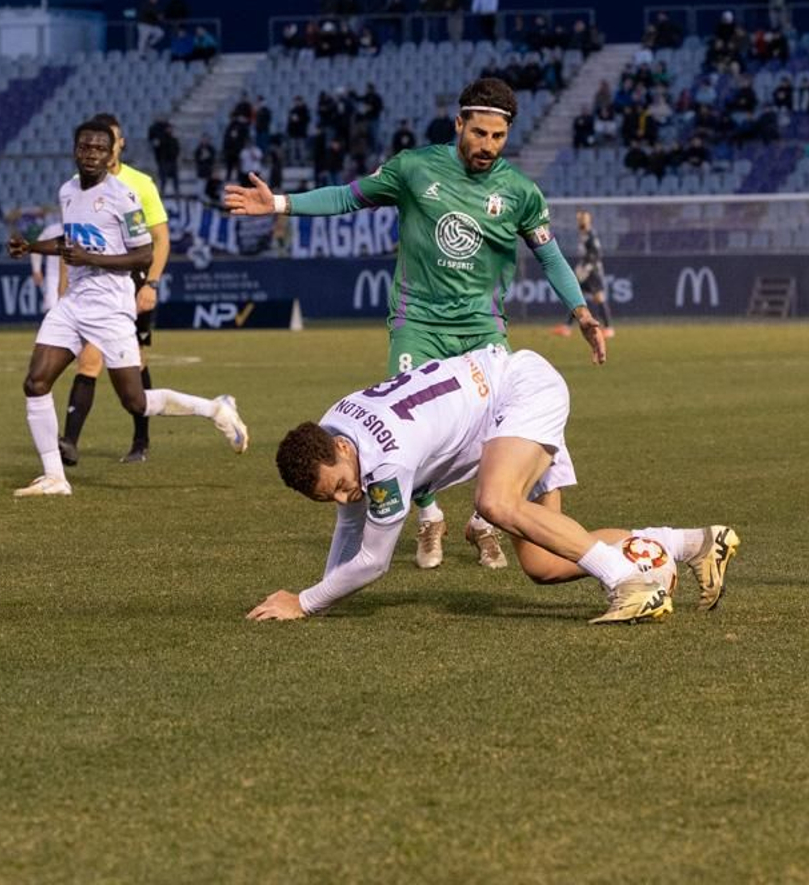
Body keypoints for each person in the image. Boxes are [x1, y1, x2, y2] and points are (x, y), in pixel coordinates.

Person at [226, 77, 606, 572]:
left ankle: (482, 522)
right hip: (418, 323)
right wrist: (279, 203)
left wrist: (580, 312)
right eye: (479, 134)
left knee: (494, 434)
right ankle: (429, 515)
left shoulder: (520, 192)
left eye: (498, 137)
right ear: (459, 125)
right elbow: (348, 197)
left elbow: (549, 254)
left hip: (481, 329)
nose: (487, 146)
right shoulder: (413, 168)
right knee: (404, 429)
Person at [248, 345, 739, 624]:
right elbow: (350, 521)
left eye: (338, 485)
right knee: (543, 565)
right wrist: (319, 598)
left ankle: (629, 583)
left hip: (519, 392)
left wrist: (306, 601)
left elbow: (374, 561)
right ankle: (693, 544)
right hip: (501, 417)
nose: (342, 497)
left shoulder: (385, 458)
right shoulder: (335, 430)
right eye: (327, 496)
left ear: (343, 452)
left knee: (493, 501)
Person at [6, 119, 247, 498]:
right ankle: (55, 476)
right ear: (75, 149)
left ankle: (215, 408)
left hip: (111, 306)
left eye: (99, 149)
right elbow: (72, 242)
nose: (91, 155)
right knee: (35, 382)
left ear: (111, 153)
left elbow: (143, 254)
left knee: (134, 401)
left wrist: (95, 260)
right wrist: (32, 247)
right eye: (85, 147)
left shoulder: (123, 196)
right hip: (74, 304)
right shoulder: (67, 190)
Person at [58, 113, 172, 465]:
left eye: (113, 140)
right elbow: (72, 243)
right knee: (88, 360)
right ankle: (69, 442)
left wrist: (151, 283)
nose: (104, 148)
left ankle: (141, 438)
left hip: (132, 283)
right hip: (91, 289)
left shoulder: (139, 184)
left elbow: (159, 239)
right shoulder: (77, 185)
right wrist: (65, 287)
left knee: (136, 363)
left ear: (119, 145)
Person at [554, 209, 613, 338]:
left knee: (596, 297)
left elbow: (596, 254)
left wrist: (585, 269)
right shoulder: (584, 234)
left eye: (583, 219)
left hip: (592, 272)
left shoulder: (591, 235)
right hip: (587, 271)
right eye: (580, 219)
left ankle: (608, 328)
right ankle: (567, 327)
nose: (580, 221)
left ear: (588, 220)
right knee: (575, 296)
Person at [30, 208, 63, 314]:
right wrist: (36, 270)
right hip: (54, 276)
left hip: (76, 277)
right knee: (52, 309)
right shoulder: (52, 231)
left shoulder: (81, 231)